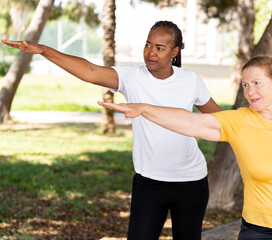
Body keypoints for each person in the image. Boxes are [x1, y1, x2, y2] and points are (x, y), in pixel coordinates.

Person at [98, 55, 272, 240]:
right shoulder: (239, 122)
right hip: (262, 231)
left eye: (257, 83)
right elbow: (190, 122)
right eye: (245, 85)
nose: (250, 91)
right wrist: (144, 108)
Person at [2, 20, 223, 240]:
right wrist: (44, 50)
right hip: (150, 182)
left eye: (159, 48)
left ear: (175, 51)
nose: (150, 52)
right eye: (148, 45)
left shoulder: (190, 80)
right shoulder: (133, 77)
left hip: (191, 181)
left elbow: (220, 119)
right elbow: (90, 70)